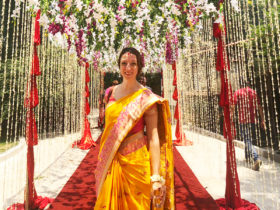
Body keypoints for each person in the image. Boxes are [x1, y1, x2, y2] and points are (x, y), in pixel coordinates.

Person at [94, 47, 174, 209]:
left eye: (133, 64)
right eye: (124, 63)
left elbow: (153, 138)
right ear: (119, 66)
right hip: (111, 162)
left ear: (139, 67)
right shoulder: (110, 93)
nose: (128, 68)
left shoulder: (146, 97)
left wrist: (156, 176)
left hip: (136, 164)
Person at [232, 81, 265, 171]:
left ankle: (256, 158)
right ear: (249, 85)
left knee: (247, 139)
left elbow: (233, 106)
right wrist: (263, 120)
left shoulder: (238, 92)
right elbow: (259, 107)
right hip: (253, 120)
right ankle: (247, 157)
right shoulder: (253, 92)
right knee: (248, 139)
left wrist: (231, 117)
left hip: (243, 120)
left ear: (241, 85)